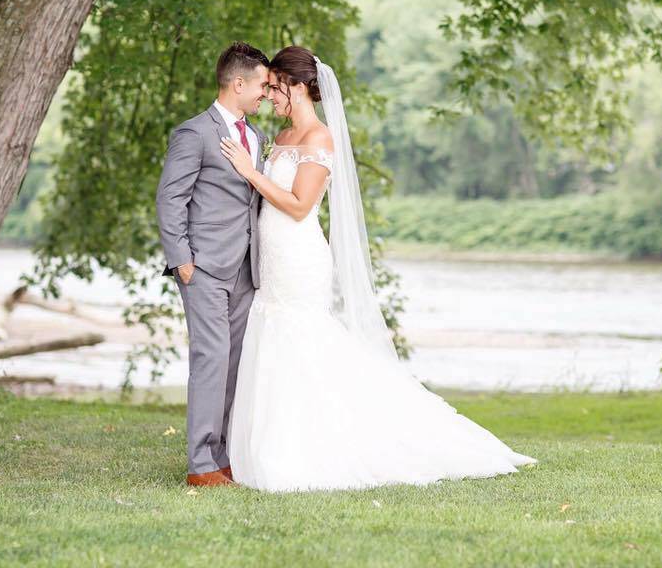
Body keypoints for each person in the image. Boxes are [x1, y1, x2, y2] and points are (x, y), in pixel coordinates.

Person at [219, 45, 537, 493]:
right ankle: (271, 444)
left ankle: (315, 448)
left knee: (301, 338)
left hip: (299, 255)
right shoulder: (285, 137)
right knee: (273, 337)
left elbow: (298, 204)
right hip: (271, 256)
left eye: (274, 87)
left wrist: (250, 172)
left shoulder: (319, 140)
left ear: (296, 86)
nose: (269, 95)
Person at [155, 41, 269, 486]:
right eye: (261, 84)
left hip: (245, 269)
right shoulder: (194, 133)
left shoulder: (255, 137)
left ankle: (223, 457)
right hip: (202, 267)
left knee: (236, 361)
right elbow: (170, 198)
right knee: (211, 358)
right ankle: (201, 465)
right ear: (237, 83)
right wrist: (182, 260)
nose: (265, 92)